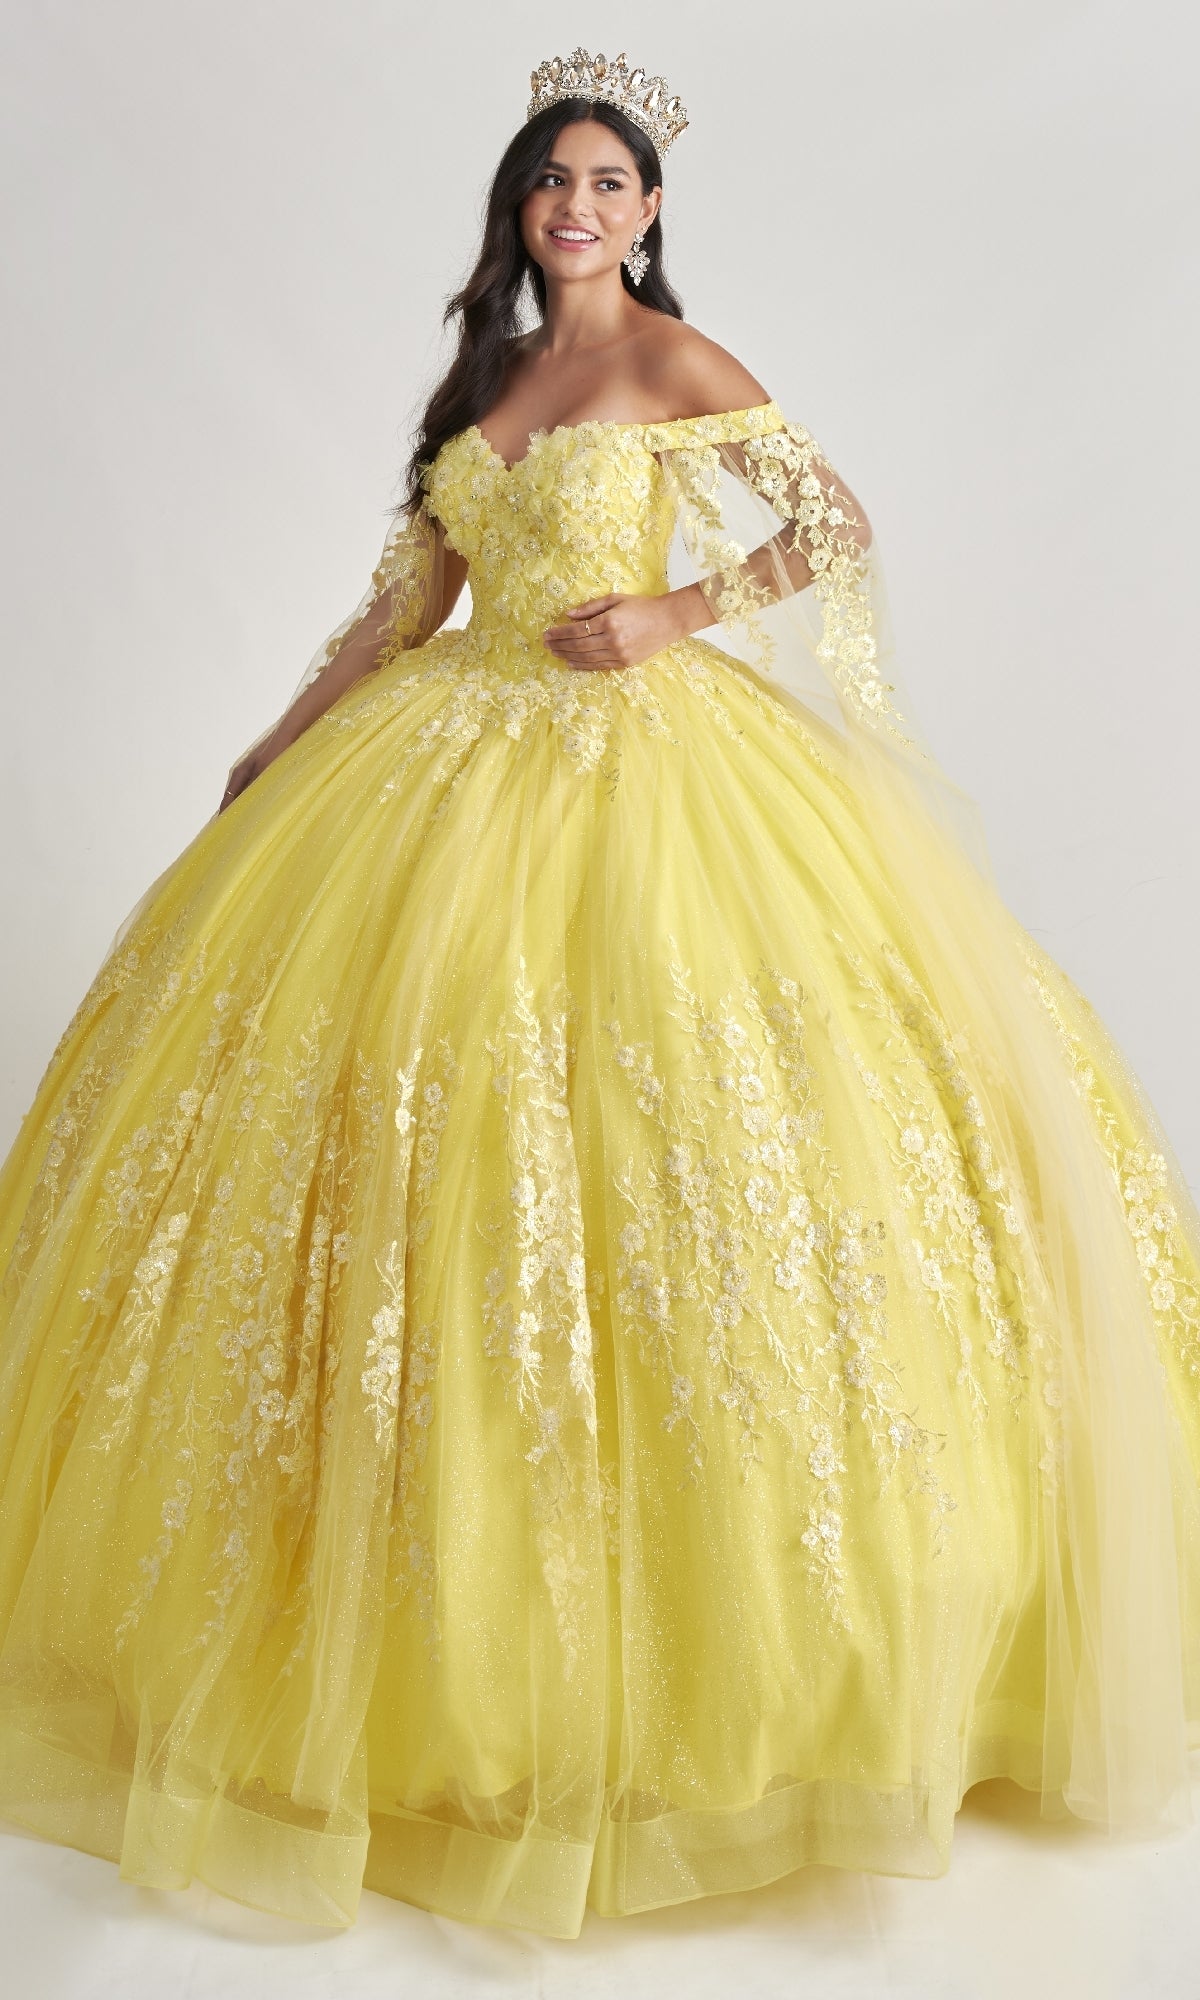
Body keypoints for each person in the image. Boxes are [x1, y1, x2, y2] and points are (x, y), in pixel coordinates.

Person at [1, 45, 1198, 1944]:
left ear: (648, 211)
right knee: (415, 1109)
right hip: (443, 752)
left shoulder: (673, 365)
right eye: (552, 180)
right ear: (520, 205)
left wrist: (680, 612)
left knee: (668, 1120)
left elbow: (836, 523)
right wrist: (279, 739)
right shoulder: (482, 382)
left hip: (644, 769)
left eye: (609, 182)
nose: (579, 205)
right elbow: (403, 605)